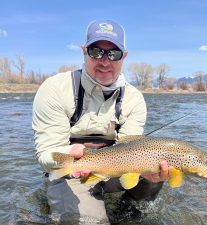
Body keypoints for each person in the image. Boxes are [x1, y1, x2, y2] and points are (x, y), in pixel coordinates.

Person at [32, 19, 169, 224]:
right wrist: (70, 155)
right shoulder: (55, 89)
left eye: (113, 54)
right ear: (84, 51)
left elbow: (130, 148)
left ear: (124, 56)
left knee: (154, 168)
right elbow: (46, 154)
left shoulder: (134, 99)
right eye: (96, 51)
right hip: (73, 171)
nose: (105, 61)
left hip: (115, 167)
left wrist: (147, 171)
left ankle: (128, 215)